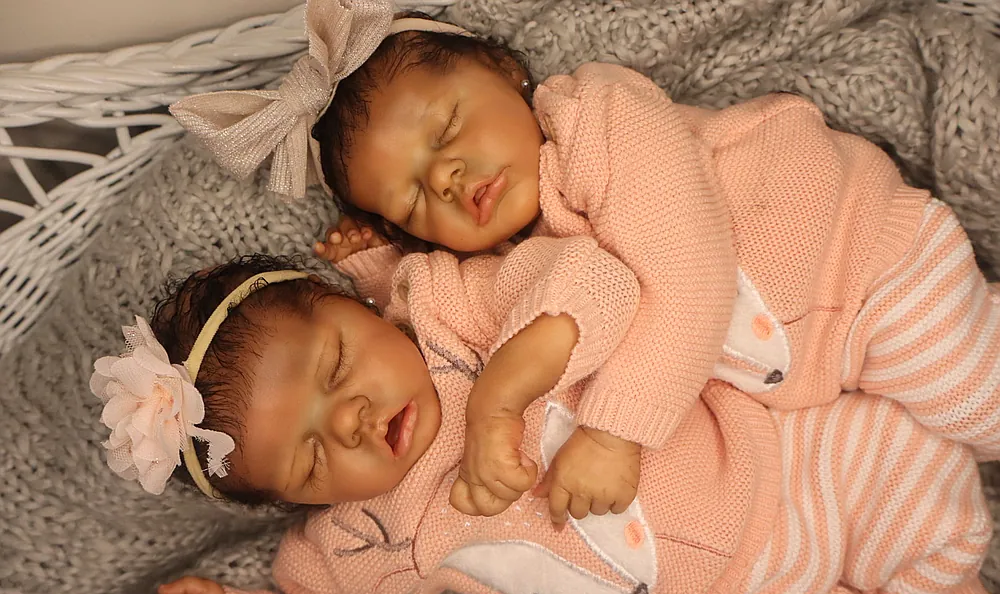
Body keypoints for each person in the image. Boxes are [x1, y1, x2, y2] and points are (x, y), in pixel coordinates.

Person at [171, 0, 1000, 523]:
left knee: (979, 403)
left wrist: (614, 432)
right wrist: (383, 271)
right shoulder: (525, 249)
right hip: (821, 369)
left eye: (447, 130)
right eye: (416, 198)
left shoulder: (599, 117)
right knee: (895, 499)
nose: (448, 177)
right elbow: (463, 312)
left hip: (867, 264)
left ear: (505, 72)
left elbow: (686, 266)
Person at [91, 249, 1000, 594]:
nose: (354, 422)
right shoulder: (358, 540)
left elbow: (598, 281)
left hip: (765, 470)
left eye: (336, 368)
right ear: (302, 504)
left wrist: (502, 388)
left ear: (359, 306)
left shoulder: (451, 310)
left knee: (903, 466)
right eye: (311, 461)